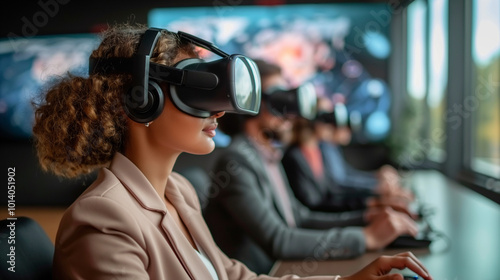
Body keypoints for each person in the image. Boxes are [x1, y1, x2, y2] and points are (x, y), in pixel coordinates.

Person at [32, 23, 432, 280]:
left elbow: (234, 277)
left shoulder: (179, 192)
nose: (219, 109)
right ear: (141, 99)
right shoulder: (103, 220)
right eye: (197, 89)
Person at [203, 59, 422, 275]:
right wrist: (367, 237)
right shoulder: (236, 160)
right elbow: (279, 240)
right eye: (280, 96)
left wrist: (368, 218)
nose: (289, 107)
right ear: (249, 102)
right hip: (262, 273)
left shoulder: (267, 154)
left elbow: (300, 217)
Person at [281, 114, 415, 214]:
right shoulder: (297, 155)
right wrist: (373, 198)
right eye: (327, 117)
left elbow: (333, 189)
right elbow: (321, 199)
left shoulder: (317, 150)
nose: (333, 123)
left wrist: (375, 193)